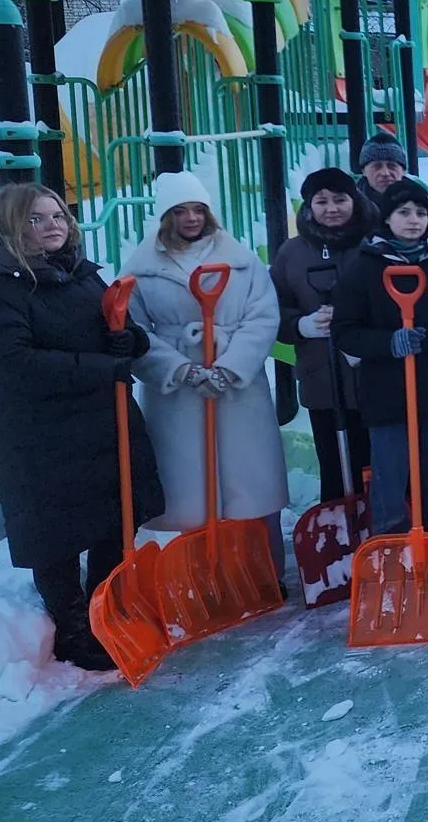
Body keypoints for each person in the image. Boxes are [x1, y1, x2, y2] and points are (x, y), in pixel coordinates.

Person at [0, 184, 162, 671]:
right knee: (56, 532)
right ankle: (72, 629)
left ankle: (105, 611)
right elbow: (15, 364)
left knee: (114, 514)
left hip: (99, 422)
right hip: (41, 434)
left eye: (58, 216)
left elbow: (114, 328)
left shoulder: (79, 275)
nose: (52, 226)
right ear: (9, 227)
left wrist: (129, 341)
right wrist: (100, 367)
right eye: (35, 219)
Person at [123, 172, 289, 584]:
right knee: (188, 483)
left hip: (236, 389)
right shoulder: (141, 269)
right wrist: (181, 368)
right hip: (178, 394)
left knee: (249, 480)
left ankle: (261, 572)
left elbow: (263, 316)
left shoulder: (241, 260)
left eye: (199, 210)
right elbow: (132, 330)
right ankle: (198, 577)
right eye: (181, 211)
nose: (192, 218)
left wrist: (231, 366)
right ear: (166, 216)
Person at [332, 179, 428, 534]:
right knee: (389, 483)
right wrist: (389, 343)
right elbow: (344, 331)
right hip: (387, 396)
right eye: (404, 212)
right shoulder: (364, 268)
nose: (413, 220)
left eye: (421, 212)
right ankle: (391, 553)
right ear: (387, 219)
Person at [270, 168, 377, 504]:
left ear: (354, 201)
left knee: (378, 463)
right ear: (309, 206)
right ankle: (337, 528)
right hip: (322, 378)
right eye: (322, 201)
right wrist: (302, 325)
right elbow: (272, 310)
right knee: (334, 462)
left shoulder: (374, 245)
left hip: (374, 377)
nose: (332, 208)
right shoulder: (292, 254)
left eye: (340, 199)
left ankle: (382, 528)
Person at [356, 132, 408, 214]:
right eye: (377, 166)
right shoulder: (351, 206)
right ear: (363, 171)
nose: (385, 173)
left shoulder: (420, 203)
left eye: (392, 166)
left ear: (404, 171)